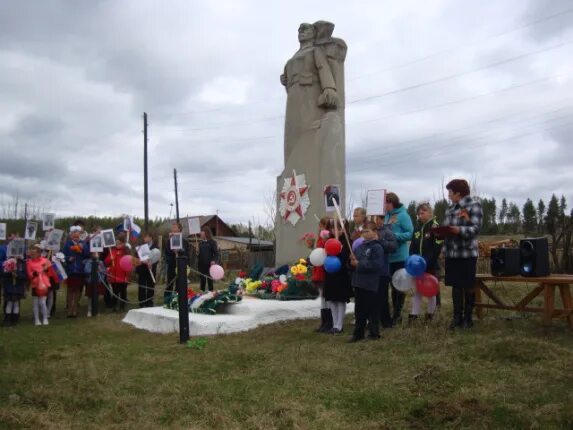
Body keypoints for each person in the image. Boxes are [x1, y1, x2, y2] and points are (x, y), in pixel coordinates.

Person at [441, 179, 483, 329]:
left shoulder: (474, 205)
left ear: (458, 193)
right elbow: (446, 232)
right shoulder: (449, 209)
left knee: (468, 285)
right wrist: (443, 250)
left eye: (450, 192)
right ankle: (456, 318)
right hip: (452, 254)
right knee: (455, 286)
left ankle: (468, 318)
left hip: (467, 254)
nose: (449, 195)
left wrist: (458, 230)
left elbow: (476, 229)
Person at [348, 221, 386, 342]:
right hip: (359, 282)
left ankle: (374, 333)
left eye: (367, 231)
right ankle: (358, 333)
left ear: (375, 232)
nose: (365, 233)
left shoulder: (377, 247)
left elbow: (377, 265)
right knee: (359, 310)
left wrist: (360, 263)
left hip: (371, 283)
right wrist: (352, 261)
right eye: (363, 231)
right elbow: (354, 264)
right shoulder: (359, 247)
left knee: (372, 309)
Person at [408, 203, 443, 323]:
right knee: (417, 290)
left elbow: (437, 249)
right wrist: (412, 260)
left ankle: (430, 315)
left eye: (422, 213)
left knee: (431, 291)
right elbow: (412, 246)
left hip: (430, 266)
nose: (420, 215)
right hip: (417, 267)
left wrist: (427, 262)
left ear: (430, 213)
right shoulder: (417, 228)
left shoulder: (435, 227)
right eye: (418, 213)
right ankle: (414, 315)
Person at [384, 192, 414, 325]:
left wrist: (394, 236)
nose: (384, 206)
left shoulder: (403, 215)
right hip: (388, 257)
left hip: (400, 256)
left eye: (385, 203)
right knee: (392, 285)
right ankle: (393, 314)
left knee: (400, 286)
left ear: (391, 202)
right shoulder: (386, 216)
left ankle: (398, 314)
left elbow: (409, 233)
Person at [324, 220, 353, 334]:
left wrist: (339, 251)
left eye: (339, 228)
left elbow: (345, 257)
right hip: (330, 273)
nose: (335, 231)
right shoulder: (329, 241)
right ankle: (334, 323)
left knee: (340, 300)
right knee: (332, 300)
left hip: (341, 273)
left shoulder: (346, 241)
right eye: (333, 228)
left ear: (344, 229)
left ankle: (339, 324)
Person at [375, 215, 398, 329]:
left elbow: (393, 246)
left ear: (381, 219)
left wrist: (380, 240)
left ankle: (386, 321)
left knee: (382, 297)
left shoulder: (387, 231)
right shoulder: (366, 230)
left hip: (382, 270)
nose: (375, 220)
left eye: (376, 218)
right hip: (369, 270)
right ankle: (373, 320)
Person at [62, 226, 89, 317]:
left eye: (77, 235)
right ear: (71, 235)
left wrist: (83, 249)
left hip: (80, 270)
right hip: (70, 270)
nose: (76, 237)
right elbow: (62, 256)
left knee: (77, 289)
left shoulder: (83, 244)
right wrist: (68, 258)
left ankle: (75, 308)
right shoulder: (67, 244)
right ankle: (69, 309)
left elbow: (87, 255)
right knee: (70, 290)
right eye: (74, 235)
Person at [313, 217, 332, 333]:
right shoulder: (319, 238)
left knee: (327, 296)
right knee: (322, 297)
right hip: (318, 268)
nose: (320, 228)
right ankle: (324, 322)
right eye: (320, 226)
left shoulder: (327, 238)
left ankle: (329, 322)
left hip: (325, 268)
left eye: (323, 226)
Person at [104, 233, 130, 312]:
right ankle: (114, 306)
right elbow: (106, 261)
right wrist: (110, 259)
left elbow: (129, 263)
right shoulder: (112, 251)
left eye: (120, 243)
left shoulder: (126, 251)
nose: (118, 245)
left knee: (123, 291)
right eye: (117, 243)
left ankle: (122, 306)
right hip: (114, 276)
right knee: (115, 292)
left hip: (123, 275)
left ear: (123, 243)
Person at [164, 222, 189, 303]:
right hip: (171, 265)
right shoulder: (169, 240)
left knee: (179, 284)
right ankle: (167, 300)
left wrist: (180, 252)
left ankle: (178, 300)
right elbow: (167, 252)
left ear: (179, 229)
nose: (173, 229)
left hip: (180, 265)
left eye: (175, 227)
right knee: (169, 283)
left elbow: (186, 252)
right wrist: (173, 252)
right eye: (172, 227)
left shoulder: (184, 241)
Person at [26, 244, 51, 326]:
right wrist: (34, 273)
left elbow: (51, 272)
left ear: (39, 253)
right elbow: (29, 274)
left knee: (42, 302)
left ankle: (45, 318)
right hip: (35, 284)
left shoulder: (45, 260)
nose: (32, 255)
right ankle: (36, 319)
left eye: (35, 253)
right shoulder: (29, 263)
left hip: (44, 284)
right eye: (31, 254)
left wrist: (47, 269)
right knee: (35, 302)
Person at [136, 233, 158, 307]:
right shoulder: (140, 247)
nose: (144, 239)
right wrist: (141, 261)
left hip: (151, 269)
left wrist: (152, 263)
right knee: (142, 286)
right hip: (142, 269)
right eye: (144, 237)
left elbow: (157, 257)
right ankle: (142, 303)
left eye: (146, 237)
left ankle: (149, 302)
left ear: (151, 238)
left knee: (150, 286)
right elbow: (136, 257)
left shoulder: (155, 246)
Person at [197, 227, 219, 292]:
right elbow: (199, 255)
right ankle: (202, 294)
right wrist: (197, 253)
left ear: (206, 233)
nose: (200, 233)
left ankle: (211, 293)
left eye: (202, 232)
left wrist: (214, 260)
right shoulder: (200, 243)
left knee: (210, 281)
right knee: (202, 281)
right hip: (201, 265)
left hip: (210, 265)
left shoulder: (212, 242)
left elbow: (216, 254)